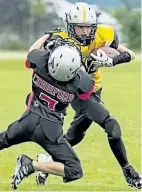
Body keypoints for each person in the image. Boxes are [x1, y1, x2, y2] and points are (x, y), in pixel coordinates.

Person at [36, 2, 142, 189]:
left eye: (88, 27)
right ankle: (129, 172)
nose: (84, 31)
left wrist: (112, 60)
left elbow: (131, 54)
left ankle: (45, 163)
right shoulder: (62, 39)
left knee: (76, 135)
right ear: (70, 25)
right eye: (80, 26)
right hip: (76, 91)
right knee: (112, 126)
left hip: (95, 88)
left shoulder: (104, 33)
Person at [0, 35, 95, 190]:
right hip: (50, 132)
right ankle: (32, 165)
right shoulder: (81, 81)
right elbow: (86, 94)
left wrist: (47, 36)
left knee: (2, 140)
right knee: (74, 170)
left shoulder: (41, 63)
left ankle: (29, 165)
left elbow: (31, 54)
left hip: (26, 122)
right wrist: (86, 67)